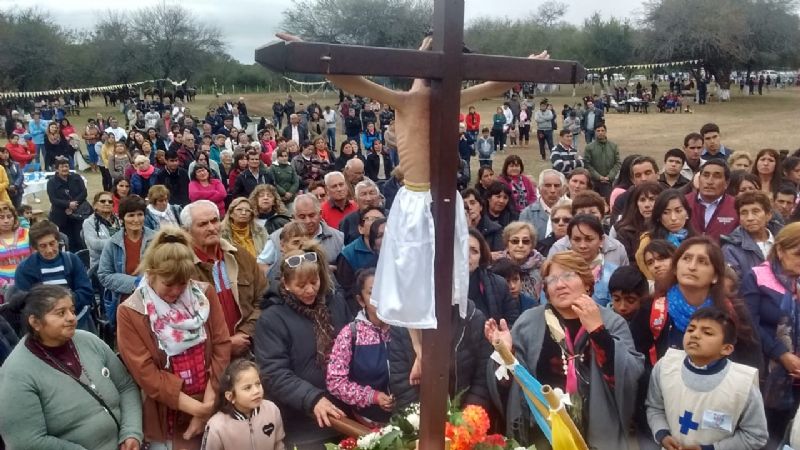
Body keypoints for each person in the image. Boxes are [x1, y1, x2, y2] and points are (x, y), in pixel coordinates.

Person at [485, 250, 644, 448]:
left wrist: (598, 332)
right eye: (551, 280)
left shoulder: (612, 321)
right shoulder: (528, 323)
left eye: (568, 275)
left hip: (596, 433)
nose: (559, 285)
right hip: (541, 430)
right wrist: (506, 354)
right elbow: (512, 388)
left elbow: (628, 378)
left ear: (587, 283)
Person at [116, 227, 231, 450]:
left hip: (211, 400)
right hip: (165, 414)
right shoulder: (130, 311)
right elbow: (146, 374)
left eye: (183, 283)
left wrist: (208, 404)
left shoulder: (204, 295)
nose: (176, 291)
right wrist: (198, 410)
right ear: (150, 273)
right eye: (168, 284)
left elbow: (221, 345)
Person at [0, 285, 144, 450]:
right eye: (61, 313)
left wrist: (131, 432)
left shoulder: (89, 341)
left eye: (72, 310)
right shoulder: (17, 374)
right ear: (35, 322)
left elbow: (125, 386)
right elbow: (26, 442)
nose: (72, 318)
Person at [254, 243, 351, 448]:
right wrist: (312, 398)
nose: (310, 290)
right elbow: (274, 372)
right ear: (286, 284)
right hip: (302, 420)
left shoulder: (336, 303)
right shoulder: (272, 319)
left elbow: (354, 343)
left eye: (314, 282)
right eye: (301, 285)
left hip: (347, 407)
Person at [646, 308, 768, 450]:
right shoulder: (666, 366)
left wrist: (710, 448)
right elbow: (654, 407)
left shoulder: (743, 384)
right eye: (690, 330)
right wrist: (662, 434)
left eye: (707, 332)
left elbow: (755, 436)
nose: (695, 335)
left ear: (726, 349)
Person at [183, 200, 267, 358]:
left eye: (215, 221)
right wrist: (225, 344)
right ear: (187, 231)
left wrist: (246, 333)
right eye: (202, 224)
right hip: (209, 358)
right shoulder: (182, 268)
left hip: (250, 347)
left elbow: (264, 298)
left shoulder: (240, 255)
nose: (212, 228)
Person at [740, 222, 800, 443]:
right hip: (768, 370)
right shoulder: (757, 277)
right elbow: (749, 323)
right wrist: (782, 354)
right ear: (781, 250)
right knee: (769, 435)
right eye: (798, 254)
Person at [326, 269, 394, 425]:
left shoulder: (405, 330)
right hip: (369, 421)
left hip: (408, 415)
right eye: (372, 293)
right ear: (361, 300)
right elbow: (335, 382)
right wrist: (372, 396)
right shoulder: (351, 334)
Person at [16, 220, 95, 332]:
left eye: (52, 244)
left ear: (58, 241)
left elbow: (86, 291)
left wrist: (64, 307)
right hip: (45, 325)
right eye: (43, 246)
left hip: (76, 318)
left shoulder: (72, 260)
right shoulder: (25, 269)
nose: (49, 250)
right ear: (35, 247)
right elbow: (25, 302)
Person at [97, 195, 156, 329]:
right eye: (131, 215)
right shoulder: (112, 243)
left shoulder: (156, 240)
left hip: (154, 300)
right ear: (122, 217)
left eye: (140, 214)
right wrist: (136, 283)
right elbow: (104, 275)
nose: (136, 220)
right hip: (124, 302)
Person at [201, 359, 286, 450]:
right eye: (247, 388)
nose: (256, 391)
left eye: (258, 384)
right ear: (230, 397)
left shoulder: (272, 410)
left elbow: (278, 444)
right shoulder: (217, 426)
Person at [548, 191, 630, 267]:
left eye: (592, 213)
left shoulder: (616, 248)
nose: (587, 217)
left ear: (602, 216)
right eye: (581, 213)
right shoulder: (559, 248)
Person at [636, 189, 696, 280]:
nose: (673, 218)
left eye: (678, 211)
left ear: (687, 213)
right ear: (658, 217)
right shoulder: (648, 241)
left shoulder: (697, 241)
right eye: (666, 213)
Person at [721, 191, 780, 277]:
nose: (750, 218)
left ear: (768, 215)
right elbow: (734, 284)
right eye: (744, 213)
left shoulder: (784, 241)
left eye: (755, 211)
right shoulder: (731, 249)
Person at [467, 228, 519, 324]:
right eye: (462, 248)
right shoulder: (436, 283)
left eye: (474, 251)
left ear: (481, 258)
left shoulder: (499, 284)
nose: (468, 255)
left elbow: (512, 324)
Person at [336, 207, 385, 304]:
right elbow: (346, 292)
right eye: (370, 219)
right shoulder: (348, 254)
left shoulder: (397, 250)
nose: (376, 223)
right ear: (361, 229)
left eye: (380, 219)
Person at [567, 214, 618, 307]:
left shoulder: (614, 273)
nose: (583, 245)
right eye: (577, 240)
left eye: (589, 239)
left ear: (601, 240)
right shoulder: (558, 272)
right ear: (570, 240)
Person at [685, 159, 739, 239]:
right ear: (699, 179)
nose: (710, 181)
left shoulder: (736, 206)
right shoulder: (684, 202)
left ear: (726, 183)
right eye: (706, 175)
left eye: (717, 176)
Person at [612, 181, 664, 263]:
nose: (647, 205)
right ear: (636, 204)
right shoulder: (625, 232)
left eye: (652, 199)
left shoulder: (668, 227)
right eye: (642, 200)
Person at [46, 156, 87, 251]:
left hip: (78, 212)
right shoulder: (51, 182)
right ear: (56, 169)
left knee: (79, 239)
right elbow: (53, 199)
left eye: (66, 166)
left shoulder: (76, 177)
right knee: (67, 240)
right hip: (61, 215)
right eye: (61, 167)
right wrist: (68, 204)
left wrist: (74, 204)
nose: (65, 169)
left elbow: (84, 192)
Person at [496, 221, 544, 300]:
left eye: (525, 241)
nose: (520, 245)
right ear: (507, 245)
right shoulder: (496, 266)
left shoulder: (543, 266)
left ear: (532, 245)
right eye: (515, 241)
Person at [519, 169, 565, 248]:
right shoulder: (527, 214)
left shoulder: (571, 211)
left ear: (562, 189)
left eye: (557, 186)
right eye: (547, 185)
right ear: (539, 189)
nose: (552, 190)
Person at [0, 200, 30, 302]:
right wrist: (4, 285)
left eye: (9, 217)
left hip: (29, 286)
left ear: (15, 217)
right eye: (1, 217)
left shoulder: (27, 234)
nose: (6, 221)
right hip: (2, 291)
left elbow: (36, 258)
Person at [82, 191, 121, 269]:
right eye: (103, 201)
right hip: (100, 265)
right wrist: (118, 242)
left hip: (121, 262)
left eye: (110, 202)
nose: (107, 203)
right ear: (95, 205)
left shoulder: (119, 220)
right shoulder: (89, 223)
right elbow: (94, 244)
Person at [583, 122, 619, 199]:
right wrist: (599, 177)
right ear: (595, 132)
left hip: (608, 182)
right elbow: (587, 164)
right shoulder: (589, 147)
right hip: (594, 182)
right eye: (598, 131)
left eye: (602, 130)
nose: (600, 133)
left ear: (606, 132)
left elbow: (618, 163)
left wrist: (609, 176)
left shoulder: (613, 146)